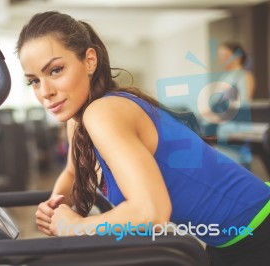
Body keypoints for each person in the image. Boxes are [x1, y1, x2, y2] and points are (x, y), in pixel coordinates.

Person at [16, 11, 270, 265]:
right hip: (228, 239)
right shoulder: (79, 121)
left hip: (258, 229)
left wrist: (76, 226)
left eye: (56, 70)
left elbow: (152, 211)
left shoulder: (103, 112)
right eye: (34, 82)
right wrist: (54, 206)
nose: (45, 92)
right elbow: (74, 172)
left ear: (89, 60)